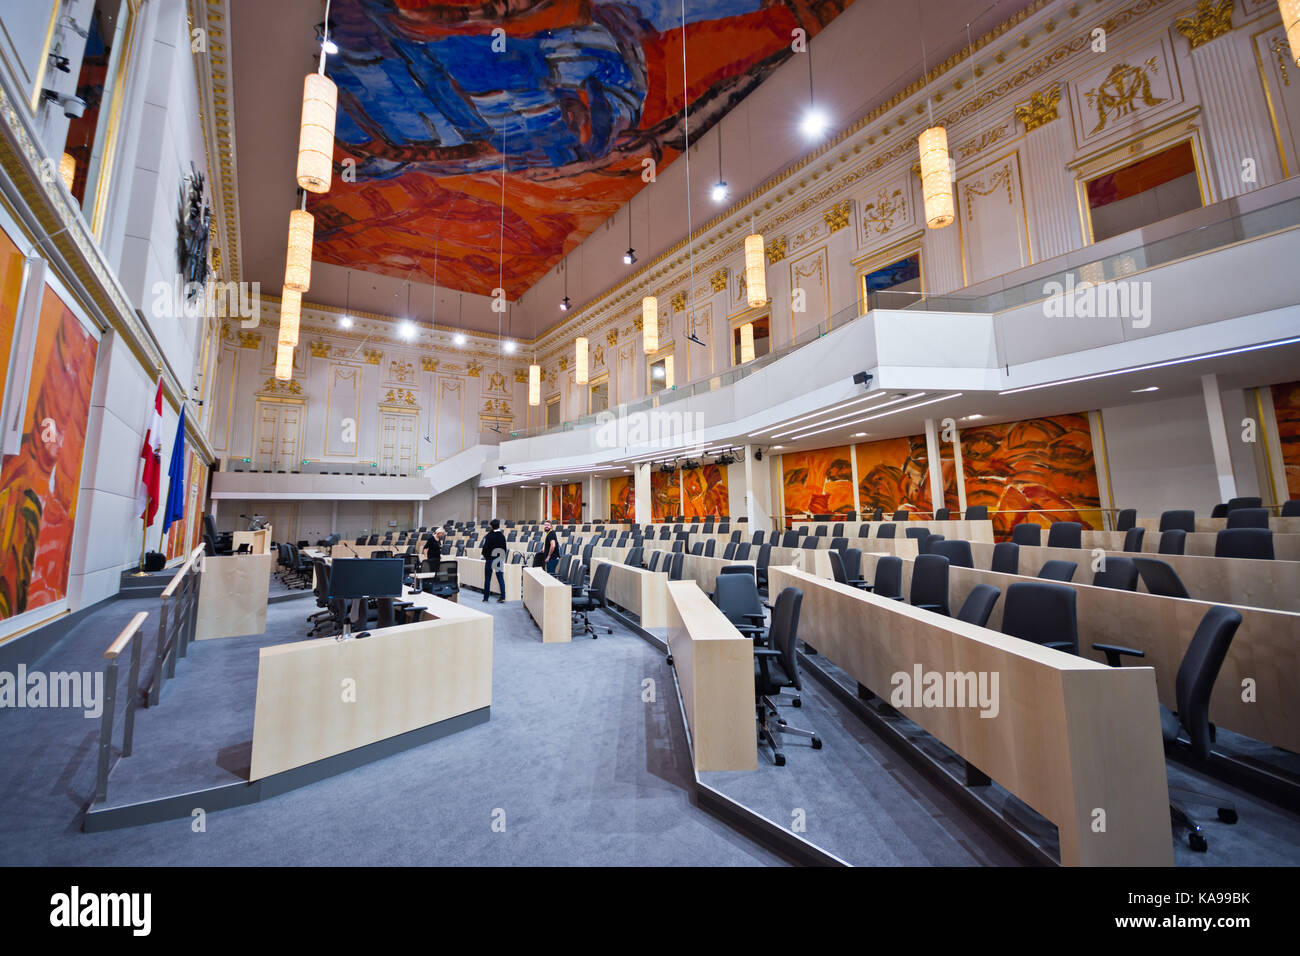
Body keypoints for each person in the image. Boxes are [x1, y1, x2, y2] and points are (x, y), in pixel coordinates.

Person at [480, 519, 508, 602]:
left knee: (487, 579)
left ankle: (486, 598)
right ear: (499, 526)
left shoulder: (489, 536)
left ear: (491, 526)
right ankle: (502, 597)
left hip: (489, 559)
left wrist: (484, 556)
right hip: (498, 559)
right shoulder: (502, 536)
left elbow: (485, 547)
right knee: (500, 578)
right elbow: (504, 548)